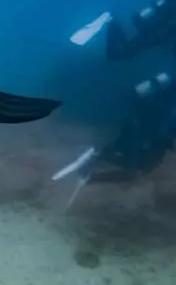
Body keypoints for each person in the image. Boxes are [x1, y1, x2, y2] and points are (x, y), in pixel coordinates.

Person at [52, 70, 176, 204]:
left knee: (135, 169)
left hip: (140, 133)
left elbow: (135, 98)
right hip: (143, 136)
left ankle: (95, 161)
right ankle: (90, 172)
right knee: (134, 173)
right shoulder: (166, 95)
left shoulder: (165, 89)